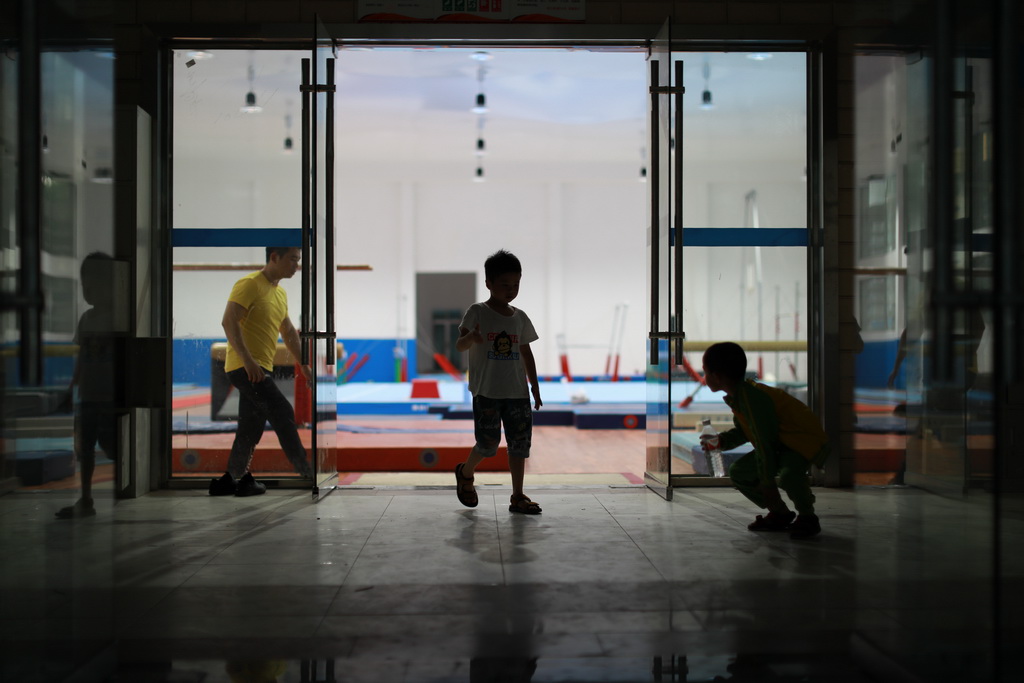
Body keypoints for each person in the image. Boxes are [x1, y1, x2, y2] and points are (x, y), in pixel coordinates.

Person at [209, 246, 313, 497]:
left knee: (250, 426)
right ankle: (307, 472)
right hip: (245, 367)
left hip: (258, 367)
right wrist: (248, 361)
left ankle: (232, 479)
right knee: (282, 411)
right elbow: (228, 320)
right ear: (274, 257)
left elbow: (288, 331)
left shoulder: (280, 293)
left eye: (298, 260)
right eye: (292, 260)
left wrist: (304, 365)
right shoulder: (249, 284)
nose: (296, 266)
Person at [701, 341, 829, 539]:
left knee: (789, 476)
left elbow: (765, 444)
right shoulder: (740, 397)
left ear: (716, 376)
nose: (704, 377)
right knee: (739, 472)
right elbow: (745, 432)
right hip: (780, 443)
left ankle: (807, 516)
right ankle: (780, 513)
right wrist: (722, 441)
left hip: (799, 443)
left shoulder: (753, 399)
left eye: (705, 372)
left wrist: (767, 483)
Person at [453, 249, 543, 514]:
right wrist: (471, 338)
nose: (511, 290)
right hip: (487, 393)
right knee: (487, 444)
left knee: (519, 445)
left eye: (516, 284)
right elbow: (459, 345)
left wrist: (534, 386)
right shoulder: (477, 312)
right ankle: (466, 472)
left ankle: (517, 496)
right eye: (505, 284)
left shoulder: (520, 317)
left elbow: (526, 352)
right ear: (488, 283)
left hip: (517, 393)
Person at [56, 253, 119, 519]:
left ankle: (121, 490)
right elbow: (82, 358)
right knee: (85, 448)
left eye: (95, 284)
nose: (89, 290)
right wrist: (72, 388)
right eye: (85, 285)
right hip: (89, 395)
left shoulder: (118, 319)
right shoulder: (86, 319)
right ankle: (86, 497)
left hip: (111, 396)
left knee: (111, 445)